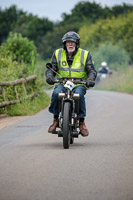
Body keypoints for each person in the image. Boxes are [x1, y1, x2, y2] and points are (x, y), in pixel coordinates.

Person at [45, 31, 97, 136]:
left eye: (73, 42)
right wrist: (50, 77)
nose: (70, 44)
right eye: (68, 42)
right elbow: (52, 68)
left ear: (77, 44)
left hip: (79, 83)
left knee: (79, 95)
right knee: (56, 94)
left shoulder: (85, 54)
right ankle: (55, 119)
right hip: (62, 82)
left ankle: (82, 122)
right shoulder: (57, 53)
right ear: (64, 44)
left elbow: (91, 70)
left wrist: (90, 79)